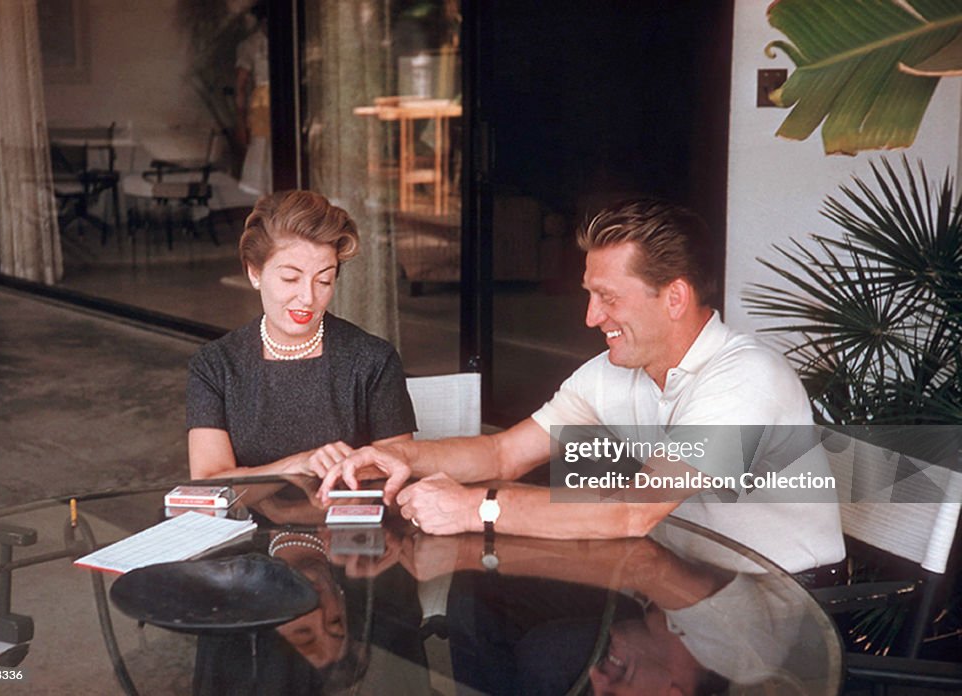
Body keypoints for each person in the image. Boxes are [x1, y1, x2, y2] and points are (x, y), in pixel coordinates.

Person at [320, 197, 845, 573]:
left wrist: (476, 507)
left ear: (675, 298)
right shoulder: (616, 370)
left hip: (780, 599)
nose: (592, 317)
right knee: (490, 610)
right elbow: (504, 453)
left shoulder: (744, 378)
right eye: (590, 295)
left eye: (609, 297)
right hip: (679, 578)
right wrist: (405, 461)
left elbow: (636, 508)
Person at [187, 190, 417, 479]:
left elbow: (395, 470)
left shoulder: (372, 360)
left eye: (324, 280)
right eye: (290, 278)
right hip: (245, 523)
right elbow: (208, 482)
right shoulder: (215, 365)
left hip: (345, 519)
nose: (308, 297)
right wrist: (294, 466)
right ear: (254, 273)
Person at [234, 2, 271, 196]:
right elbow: (240, 86)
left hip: (284, 101)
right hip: (262, 104)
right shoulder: (250, 45)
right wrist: (240, 123)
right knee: (262, 151)